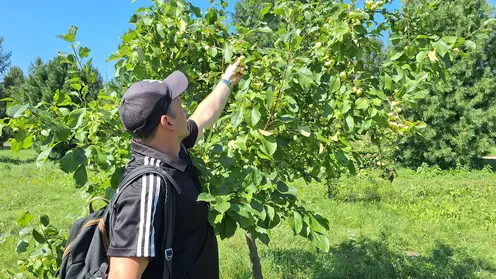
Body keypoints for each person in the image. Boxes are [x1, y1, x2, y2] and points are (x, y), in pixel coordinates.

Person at [107, 57, 245, 279]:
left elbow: (204, 117)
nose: (185, 108)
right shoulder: (146, 187)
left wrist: (227, 80)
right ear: (167, 123)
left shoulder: (173, 147)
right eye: (180, 104)